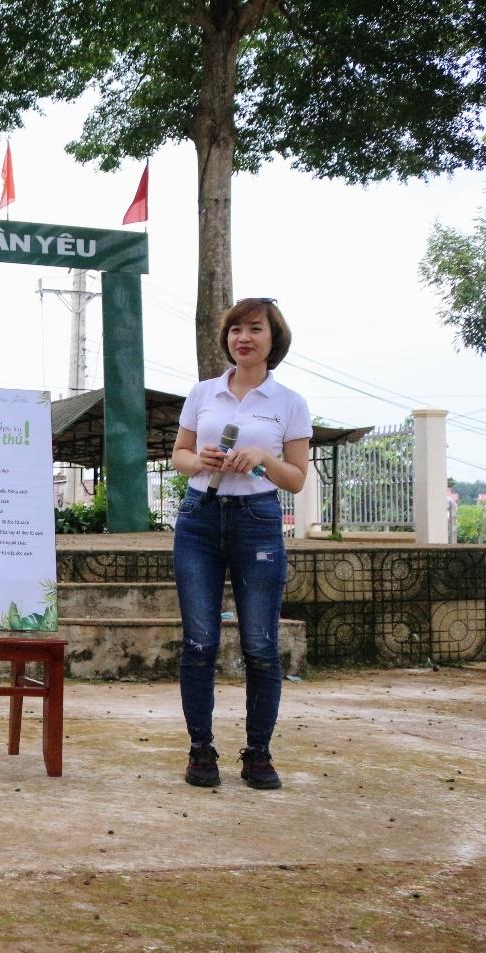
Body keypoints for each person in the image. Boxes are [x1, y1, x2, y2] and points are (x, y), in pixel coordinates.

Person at [170, 297, 311, 790]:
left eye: (254, 329)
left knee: (260, 645)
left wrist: (262, 459)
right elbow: (179, 457)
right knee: (199, 642)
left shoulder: (289, 402)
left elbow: (294, 479)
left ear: (274, 340)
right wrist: (201, 460)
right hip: (198, 519)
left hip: (258, 520)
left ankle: (258, 754)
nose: (242, 338)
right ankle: (200, 751)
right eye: (235, 330)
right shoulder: (204, 392)